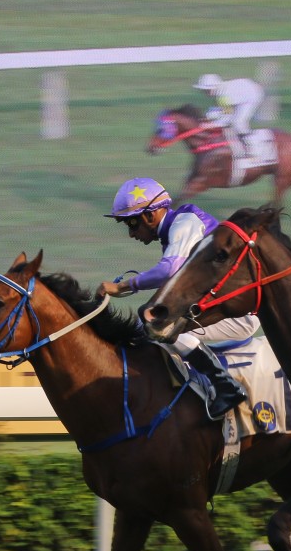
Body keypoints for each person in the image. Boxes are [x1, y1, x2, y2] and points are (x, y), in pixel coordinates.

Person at [96, 177, 255, 418]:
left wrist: (124, 287)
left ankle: (225, 386)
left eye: (132, 223)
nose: (131, 234)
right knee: (147, 322)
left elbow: (168, 270)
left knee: (156, 326)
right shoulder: (176, 229)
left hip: (239, 313)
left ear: (151, 216)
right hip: (224, 307)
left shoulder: (184, 223)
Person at [193, 73, 265, 160]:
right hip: (243, 93)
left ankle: (254, 150)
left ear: (212, 88)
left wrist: (211, 125)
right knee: (212, 113)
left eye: (205, 90)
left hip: (252, 96)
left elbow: (227, 119)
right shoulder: (220, 92)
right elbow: (224, 109)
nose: (204, 93)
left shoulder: (223, 96)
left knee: (238, 122)